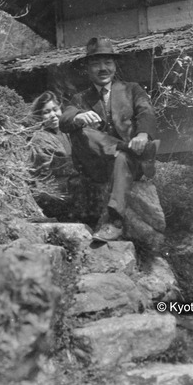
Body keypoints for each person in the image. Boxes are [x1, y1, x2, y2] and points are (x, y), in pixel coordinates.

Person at [59, 36, 159, 241]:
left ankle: (115, 222)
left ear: (115, 65)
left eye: (108, 62)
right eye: (96, 64)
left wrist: (142, 135)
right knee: (81, 132)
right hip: (97, 166)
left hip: (130, 162)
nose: (103, 68)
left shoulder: (132, 90)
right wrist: (78, 117)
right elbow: (64, 119)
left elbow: (146, 112)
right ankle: (124, 146)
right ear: (87, 69)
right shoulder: (80, 98)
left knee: (122, 157)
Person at [29, 91, 75, 218]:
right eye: (46, 112)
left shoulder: (67, 133)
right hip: (53, 192)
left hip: (72, 185)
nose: (53, 115)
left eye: (55, 109)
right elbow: (44, 174)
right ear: (40, 116)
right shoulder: (40, 138)